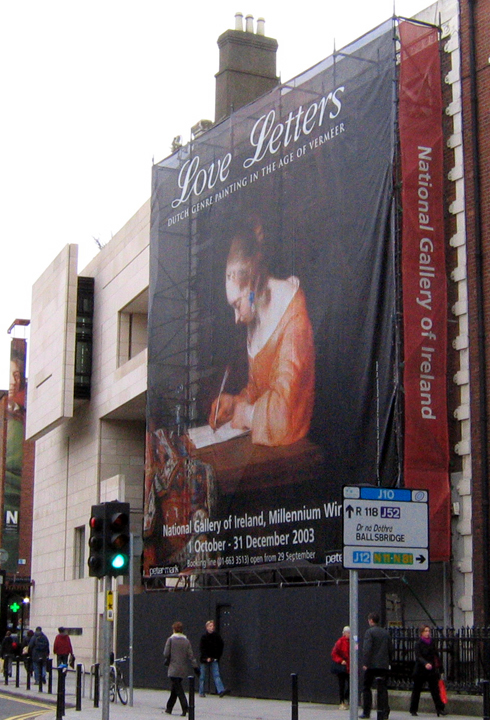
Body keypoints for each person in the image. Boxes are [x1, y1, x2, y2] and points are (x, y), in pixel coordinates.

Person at [208, 219, 315, 447]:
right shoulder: (256, 314)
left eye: (237, 305)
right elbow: (259, 389)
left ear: (254, 285)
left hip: (295, 451)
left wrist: (246, 414)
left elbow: (285, 414)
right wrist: (236, 402)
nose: (236, 318)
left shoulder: (293, 315)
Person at [163, 621, 199, 716]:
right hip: (182, 669)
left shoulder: (170, 640)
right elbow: (191, 656)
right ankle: (169, 708)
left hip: (173, 668)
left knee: (178, 689)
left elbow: (165, 653)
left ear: (174, 629)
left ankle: (185, 707)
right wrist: (195, 667)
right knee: (175, 688)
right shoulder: (186, 641)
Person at [360, 612, 392, 719]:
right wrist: (389, 662)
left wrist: (365, 663)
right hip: (383, 664)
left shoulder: (369, 632)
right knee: (382, 688)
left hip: (372, 665)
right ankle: (384, 711)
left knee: (366, 687)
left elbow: (367, 649)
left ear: (370, 620)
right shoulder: (385, 632)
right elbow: (390, 649)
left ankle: (366, 711)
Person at [409, 625, 446, 716]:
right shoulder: (418, 643)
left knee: (435, 690)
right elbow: (418, 656)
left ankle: (440, 708)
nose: (427, 633)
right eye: (425, 631)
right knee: (417, 690)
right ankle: (413, 709)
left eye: (428, 631)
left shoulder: (432, 642)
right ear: (422, 633)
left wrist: (440, 668)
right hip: (420, 670)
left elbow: (436, 655)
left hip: (431, 670)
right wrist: (425, 663)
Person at [199, 620, 229, 697]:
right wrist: (206, 658)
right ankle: (201, 692)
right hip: (204, 659)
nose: (212, 628)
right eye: (210, 626)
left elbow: (220, 646)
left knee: (216, 675)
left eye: (213, 626)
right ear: (207, 627)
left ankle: (221, 691)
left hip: (214, 658)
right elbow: (202, 649)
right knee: (202, 676)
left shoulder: (217, 636)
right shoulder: (204, 637)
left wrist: (217, 656)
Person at [331, 625, 350, 709]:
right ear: (345, 633)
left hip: (350, 667)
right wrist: (340, 660)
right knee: (341, 684)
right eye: (348, 632)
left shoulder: (352, 641)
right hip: (343, 667)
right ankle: (341, 702)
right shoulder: (340, 642)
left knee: (351, 684)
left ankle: (345, 698)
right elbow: (334, 654)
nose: (349, 634)